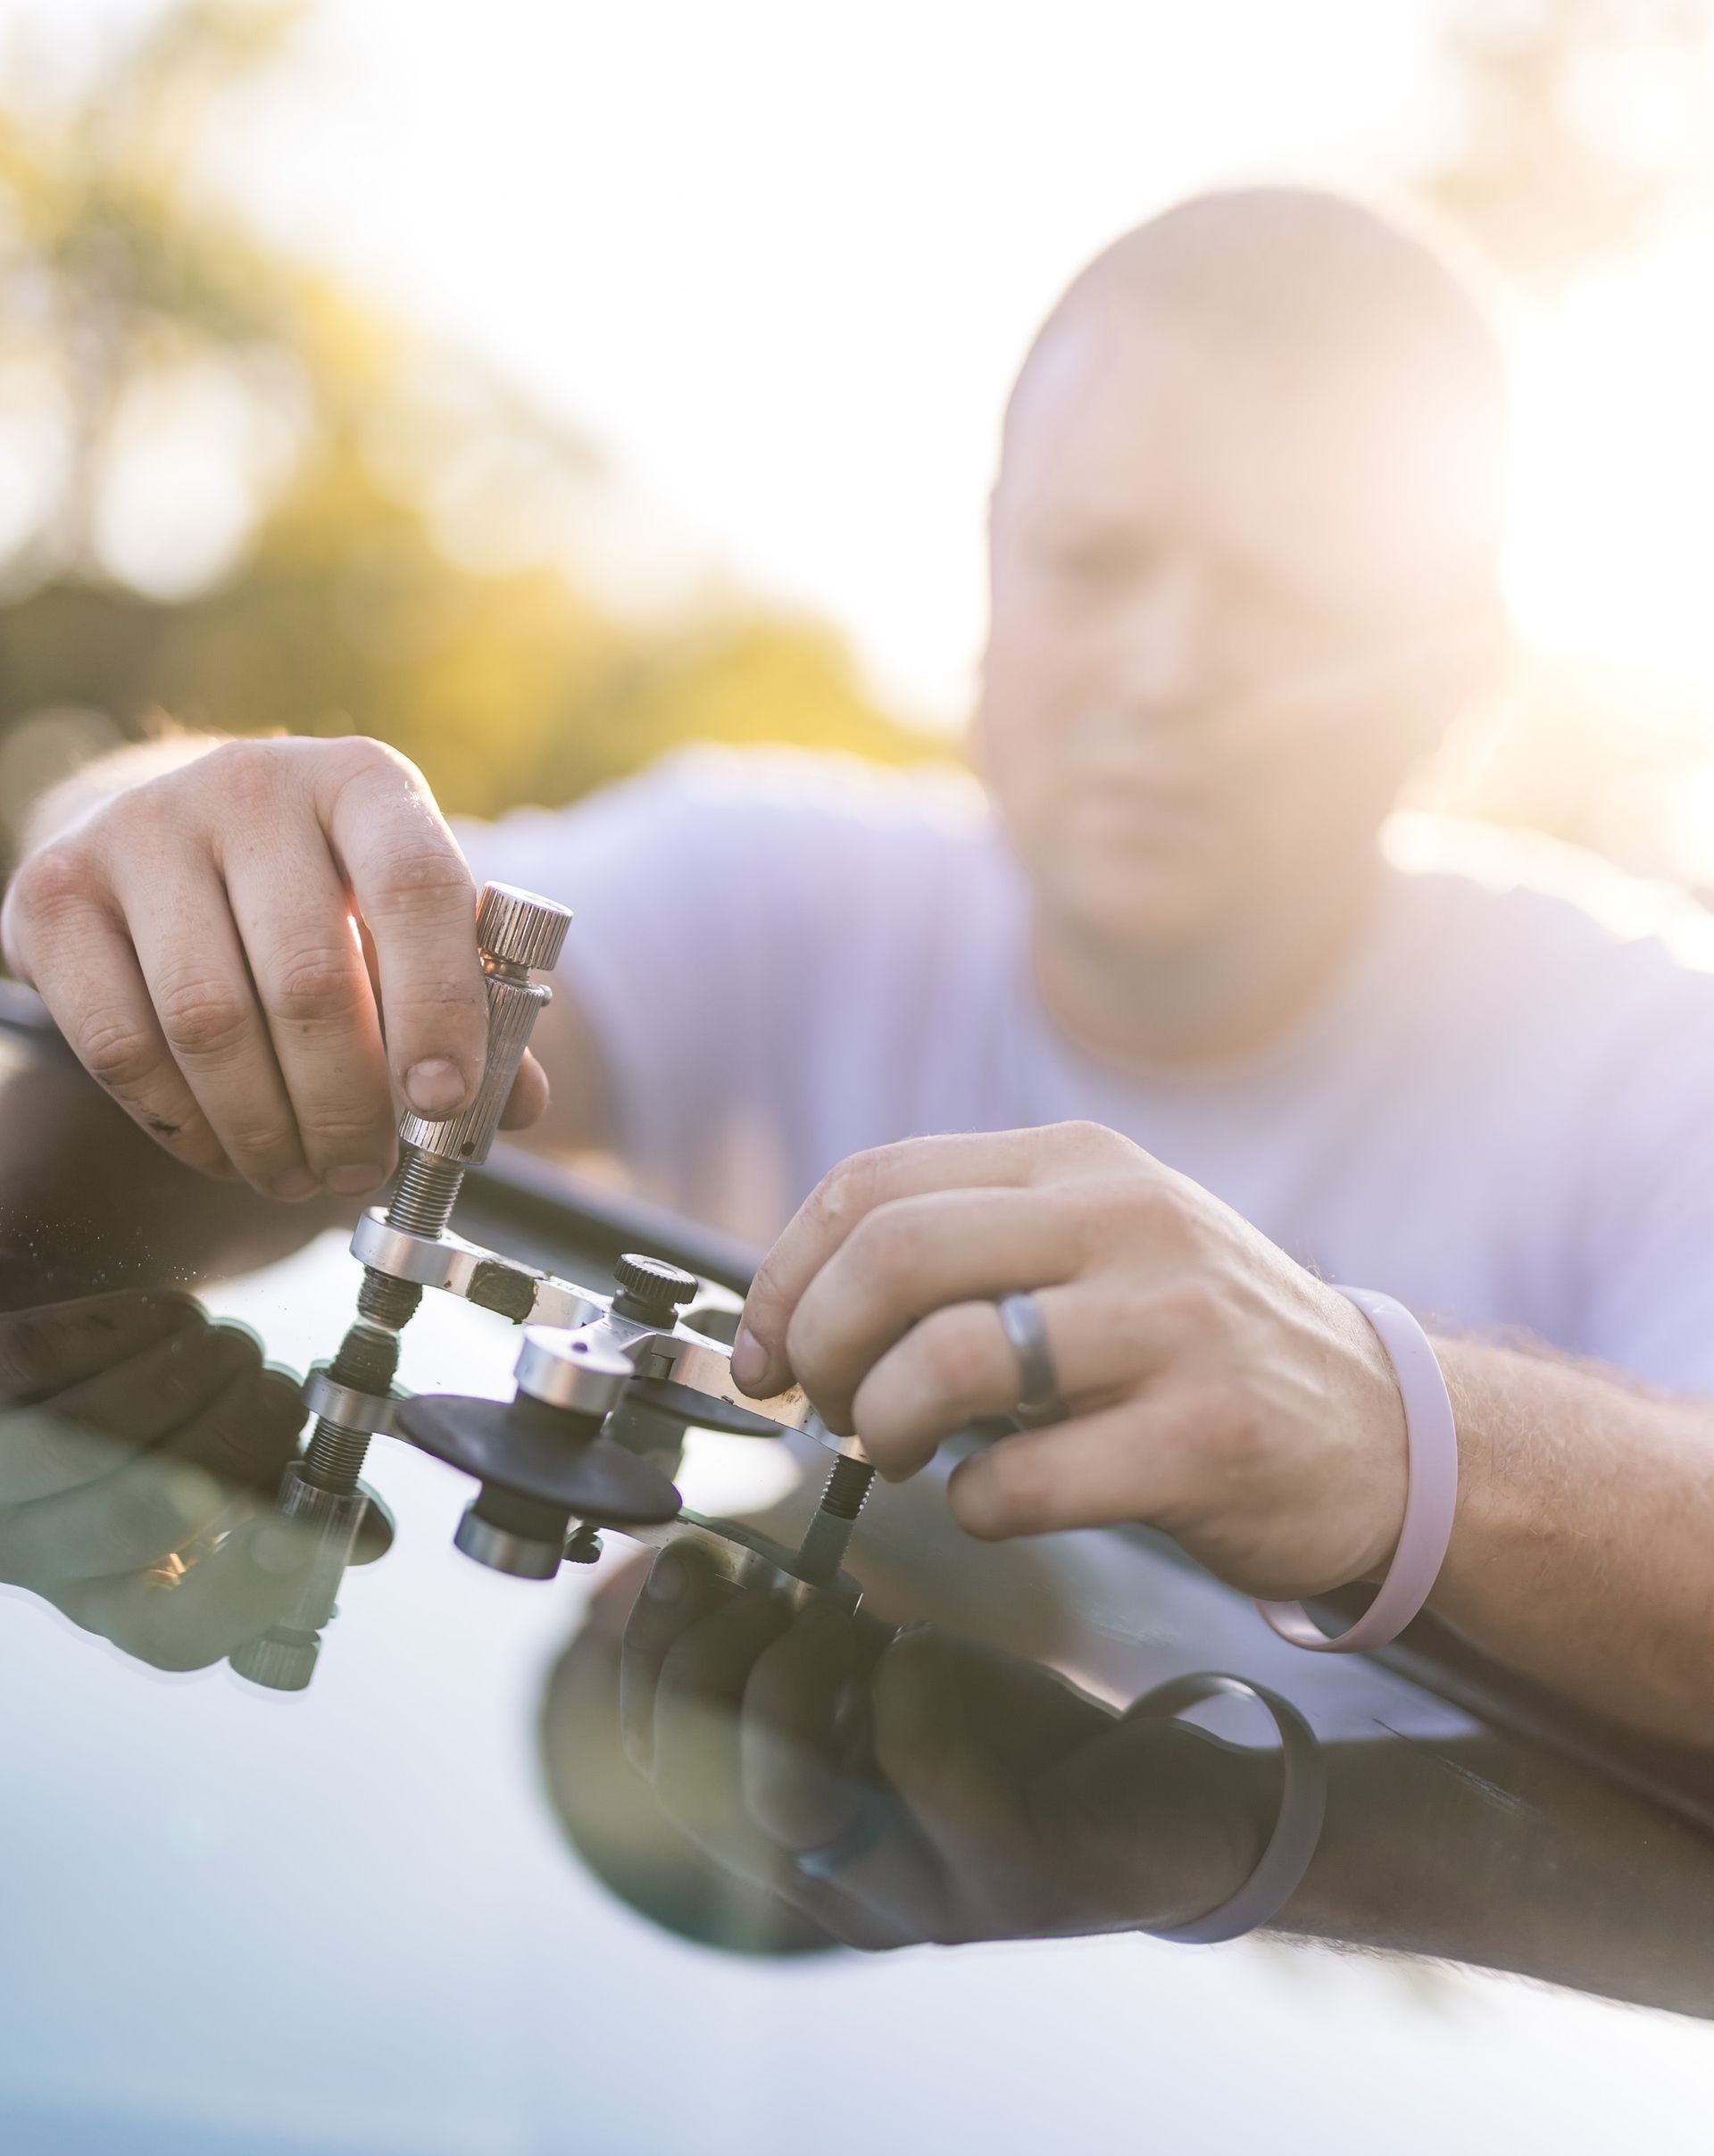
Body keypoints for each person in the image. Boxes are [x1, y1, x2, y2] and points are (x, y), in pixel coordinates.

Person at [4, 187, 1714, 1736]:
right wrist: (150, 838)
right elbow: (345, 938)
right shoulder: (780, 892)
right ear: (987, 568)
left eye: (1297, 602)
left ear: (1461, 673)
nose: (1170, 668)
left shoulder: (1654, 1058)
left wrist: (1395, 1431)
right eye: (1093, 562)